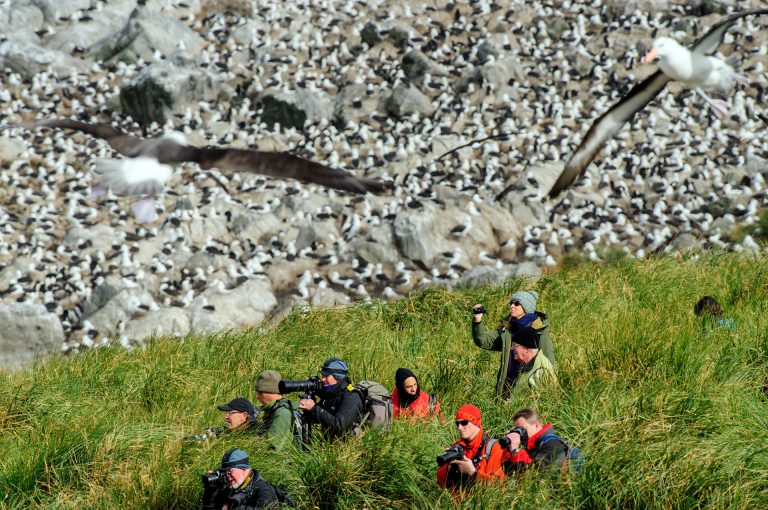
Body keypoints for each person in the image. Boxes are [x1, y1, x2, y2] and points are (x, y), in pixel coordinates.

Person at [472, 290, 556, 398]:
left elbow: (549, 362)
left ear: (526, 307)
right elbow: (484, 341)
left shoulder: (539, 330)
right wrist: (477, 320)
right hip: (506, 387)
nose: (512, 306)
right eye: (511, 303)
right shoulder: (508, 330)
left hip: (527, 390)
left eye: (516, 303)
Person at [436, 404, 505, 493]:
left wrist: (473, 474)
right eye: (457, 423)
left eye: (464, 422)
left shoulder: (494, 448)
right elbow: (440, 483)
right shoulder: (456, 446)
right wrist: (448, 468)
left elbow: (499, 487)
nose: (459, 427)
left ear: (476, 423)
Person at [298, 357, 363, 441]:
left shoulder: (351, 396)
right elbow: (318, 418)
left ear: (337, 377)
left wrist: (313, 408)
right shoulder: (332, 393)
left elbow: (339, 425)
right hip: (330, 444)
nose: (322, 379)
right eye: (322, 376)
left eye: (326, 376)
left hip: (347, 448)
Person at [201, 448, 279, 510]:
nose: (227, 475)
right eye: (225, 472)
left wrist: (233, 508)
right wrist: (211, 490)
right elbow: (209, 508)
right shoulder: (234, 487)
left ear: (243, 468)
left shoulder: (264, 490)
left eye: (230, 470)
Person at [500, 407, 567, 471]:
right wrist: (509, 447)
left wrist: (515, 451)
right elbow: (509, 470)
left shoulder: (552, 444)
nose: (520, 433)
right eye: (517, 429)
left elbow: (532, 473)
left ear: (536, 425)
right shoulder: (534, 446)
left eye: (522, 429)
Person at [254, 370, 298, 449]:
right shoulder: (273, 410)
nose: (257, 396)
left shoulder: (282, 414)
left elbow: (273, 448)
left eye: (260, 392)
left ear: (272, 392)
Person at [186, 397, 260, 442]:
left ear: (244, 416)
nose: (225, 417)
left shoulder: (255, 437)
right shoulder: (227, 432)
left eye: (230, 413)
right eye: (226, 413)